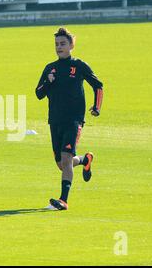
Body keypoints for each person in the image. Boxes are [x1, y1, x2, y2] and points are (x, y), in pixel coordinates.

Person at [36, 27, 103, 211]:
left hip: (74, 120)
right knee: (62, 164)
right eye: (57, 44)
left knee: (66, 159)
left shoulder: (79, 66)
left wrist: (97, 107)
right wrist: (48, 82)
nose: (59, 47)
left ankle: (63, 201)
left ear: (71, 45)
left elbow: (98, 85)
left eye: (63, 44)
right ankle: (84, 160)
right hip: (55, 120)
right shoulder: (50, 68)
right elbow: (39, 94)